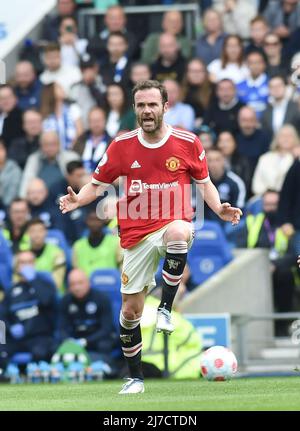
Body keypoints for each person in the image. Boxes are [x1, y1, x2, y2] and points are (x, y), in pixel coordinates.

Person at [59, 79, 242, 394]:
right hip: (135, 235)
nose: (147, 111)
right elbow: (96, 182)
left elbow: (205, 182)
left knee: (179, 232)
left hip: (172, 221)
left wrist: (218, 209)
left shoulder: (187, 142)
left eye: (152, 105)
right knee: (130, 313)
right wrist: (78, 199)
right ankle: (135, 378)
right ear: (135, 109)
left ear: (165, 107)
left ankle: (166, 308)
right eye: (141, 105)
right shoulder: (121, 145)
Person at [237, 189, 297, 336]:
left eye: (274, 204)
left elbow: (294, 255)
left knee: (285, 276)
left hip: (281, 272)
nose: (271, 208)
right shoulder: (252, 223)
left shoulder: (289, 226)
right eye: (267, 204)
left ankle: (282, 327)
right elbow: (241, 250)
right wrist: (262, 266)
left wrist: (274, 265)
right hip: (255, 272)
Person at [0, 250, 57, 372]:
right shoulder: (12, 291)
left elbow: (46, 301)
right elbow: (2, 316)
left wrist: (33, 280)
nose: (26, 265)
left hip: (40, 337)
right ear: (17, 266)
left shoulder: (46, 284)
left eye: (29, 262)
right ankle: (7, 376)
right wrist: (10, 328)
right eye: (22, 262)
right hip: (17, 338)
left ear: (34, 264)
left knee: (41, 352)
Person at [59, 269, 118, 368]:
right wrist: (69, 341)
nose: (77, 287)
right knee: (55, 346)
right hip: (75, 340)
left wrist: (85, 341)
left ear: (88, 283)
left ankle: (103, 368)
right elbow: (61, 328)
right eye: (73, 284)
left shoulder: (102, 298)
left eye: (80, 283)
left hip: (97, 339)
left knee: (104, 345)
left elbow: (106, 329)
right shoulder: (65, 301)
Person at [20, 131, 80, 197]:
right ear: (41, 146)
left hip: (65, 199)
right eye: (46, 144)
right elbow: (27, 181)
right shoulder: (34, 159)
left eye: (53, 144)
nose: (50, 148)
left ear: (59, 144)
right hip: (39, 200)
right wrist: (23, 198)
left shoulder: (71, 157)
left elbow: (78, 182)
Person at [251, 124, 300, 196]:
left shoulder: (297, 158)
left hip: (290, 197)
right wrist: (267, 194)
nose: (286, 138)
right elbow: (256, 184)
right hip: (264, 197)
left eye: (289, 136)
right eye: (283, 136)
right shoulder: (265, 158)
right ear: (277, 138)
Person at [72, 206, 121, 276]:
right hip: (85, 286)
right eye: (91, 219)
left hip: (110, 285)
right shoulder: (78, 246)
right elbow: (76, 272)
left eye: (98, 219)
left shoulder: (116, 242)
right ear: (86, 221)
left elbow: (122, 268)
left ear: (103, 221)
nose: (94, 223)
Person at [205, 147, 246, 223]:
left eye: (217, 160)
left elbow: (239, 209)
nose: (213, 164)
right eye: (210, 160)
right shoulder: (200, 183)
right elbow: (195, 208)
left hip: (228, 222)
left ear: (223, 160)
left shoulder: (235, 182)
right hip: (206, 223)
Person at [26, 218, 66, 293]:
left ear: (46, 232)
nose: (37, 234)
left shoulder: (57, 253)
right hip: (30, 296)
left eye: (40, 231)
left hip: (54, 296)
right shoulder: (23, 256)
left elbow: (57, 282)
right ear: (27, 233)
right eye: (33, 231)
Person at [41, 82, 84, 150]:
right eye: (59, 88)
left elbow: (80, 132)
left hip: (73, 151)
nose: (63, 89)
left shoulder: (73, 108)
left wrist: (71, 148)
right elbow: (45, 137)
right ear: (51, 92)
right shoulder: (46, 116)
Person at [69, 55, 107, 129]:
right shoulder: (75, 87)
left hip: (100, 127)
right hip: (80, 128)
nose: (88, 71)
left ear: (96, 68)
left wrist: (91, 85)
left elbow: (103, 103)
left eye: (90, 68)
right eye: (84, 69)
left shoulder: (103, 82)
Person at [73, 107, 111, 174]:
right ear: (88, 122)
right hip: (81, 178)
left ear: (105, 121)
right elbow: (73, 161)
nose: (96, 124)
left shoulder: (111, 142)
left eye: (98, 120)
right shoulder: (81, 140)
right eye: (93, 121)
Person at [236, 106, 271, 175]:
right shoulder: (233, 136)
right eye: (244, 120)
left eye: (251, 120)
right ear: (238, 121)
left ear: (256, 121)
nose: (248, 124)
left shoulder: (265, 137)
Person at [181, 58, 215, 129]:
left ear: (205, 73)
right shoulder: (181, 91)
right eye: (193, 71)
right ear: (187, 73)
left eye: (199, 71)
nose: (196, 74)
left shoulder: (214, 89)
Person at [236, 49, 269, 119]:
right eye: (251, 63)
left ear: (264, 64)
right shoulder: (239, 86)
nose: (255, 66)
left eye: (258, 62)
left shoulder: (271, 84)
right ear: (246, 65)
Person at [0, 139, 22, 209]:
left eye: (0, 149)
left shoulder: (15, 169)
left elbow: (12, 195)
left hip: (8, 208)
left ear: (5, 150)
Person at [0, 85, 24, 149]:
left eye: (8, 97)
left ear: (16, 99)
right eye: (2, 98)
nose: (5, 101)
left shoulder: (22, 117)